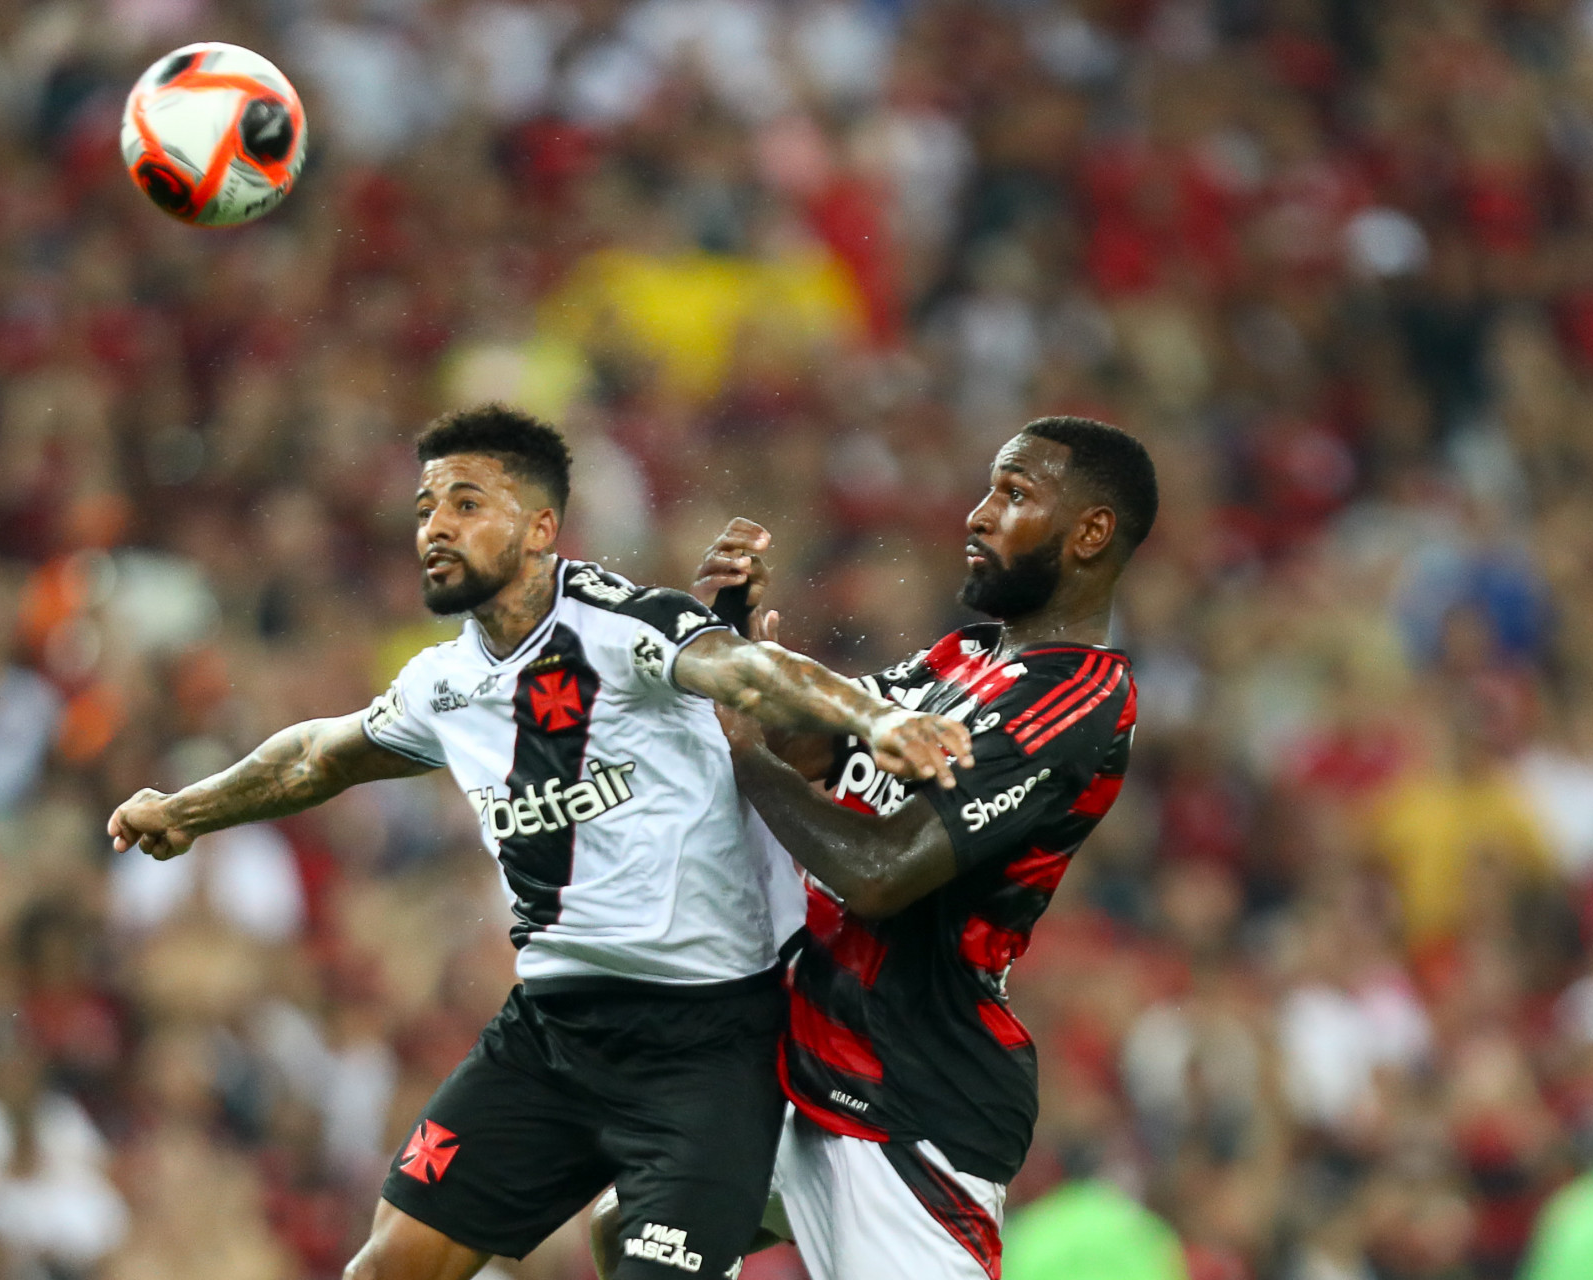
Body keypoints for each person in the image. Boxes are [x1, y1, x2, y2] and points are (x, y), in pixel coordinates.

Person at [106, 404, 971, 1280]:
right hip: (553, 1035)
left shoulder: (622, 627)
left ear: (539, 527)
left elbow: (746, 668)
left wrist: (878, 716)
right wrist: (189, 809)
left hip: (708, 1048)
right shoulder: (443, 682)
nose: (435, 528)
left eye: (465, 504)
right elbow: (318, 757)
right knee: (389, 1268)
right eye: (423, 510)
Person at [591, 415, 1158, 1280]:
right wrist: (734, 648)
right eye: (987, 487)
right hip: (809, 1066)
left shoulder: (1078, 701)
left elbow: (880, 872)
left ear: (1089, 534)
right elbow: (813, 747)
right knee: (636, 1225)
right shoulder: (961, 659)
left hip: (914, 1109)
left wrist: (745, 746)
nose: (978, 513)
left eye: (1014, 495)